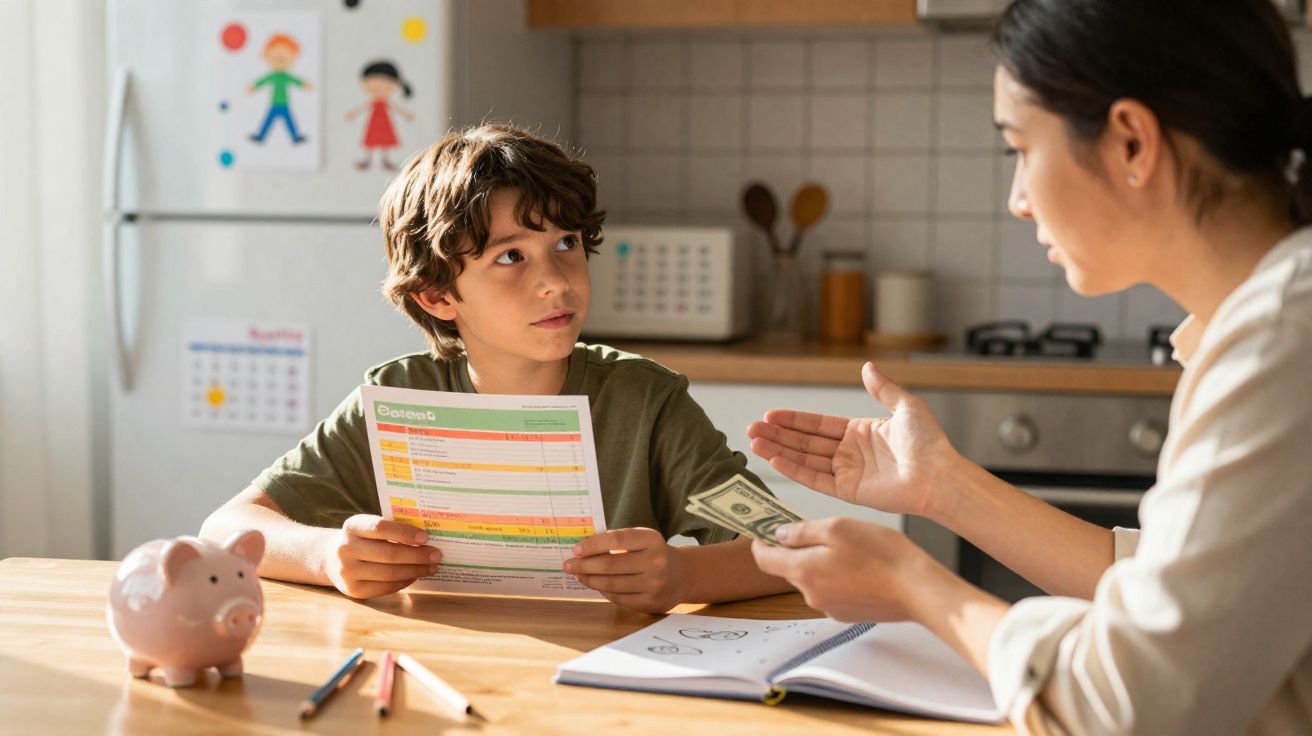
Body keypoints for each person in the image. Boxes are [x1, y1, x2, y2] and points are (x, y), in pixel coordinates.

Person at [745, 1, 1312, 733]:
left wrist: (915, 586)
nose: (1016, 200)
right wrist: (943, 488)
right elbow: (1182, 593)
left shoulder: (1280, 339)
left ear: (1132, 143)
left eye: (1019, 147)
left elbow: (1126, 710)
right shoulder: (1276, 313)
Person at [200, 123, 791, 614]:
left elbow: (790, 547)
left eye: (566, 243)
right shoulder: (395, 399)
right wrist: (326, 556)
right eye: (511, 256)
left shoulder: (647, 404)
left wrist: (685, 578)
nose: (556, 282)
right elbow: (226, 528)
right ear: (437, 296)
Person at [345, 60, 415, 171]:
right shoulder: (373, 101)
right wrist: (353, 114)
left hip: (384, 122)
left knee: (384, 140)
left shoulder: (386, 101)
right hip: (374, 121)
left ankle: (385, 161)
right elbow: (363, 108)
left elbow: (396, 108)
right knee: (371, 140)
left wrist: (406, 115)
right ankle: (368, 160)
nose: (377, 88)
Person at [248, 33, 312, 145]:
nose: (280, 59)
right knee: (268, 121)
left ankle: (295, 137)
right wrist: (255, 86)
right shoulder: (273, 75)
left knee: (289, 121)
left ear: (293, 58)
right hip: (274, 103)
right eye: (275, 56)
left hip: (284, 103)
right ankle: (261, 137)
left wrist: (304, 84)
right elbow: (263, 80)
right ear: (266, 56)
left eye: (285, 57)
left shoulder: (286, 76)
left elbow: (295, 80)